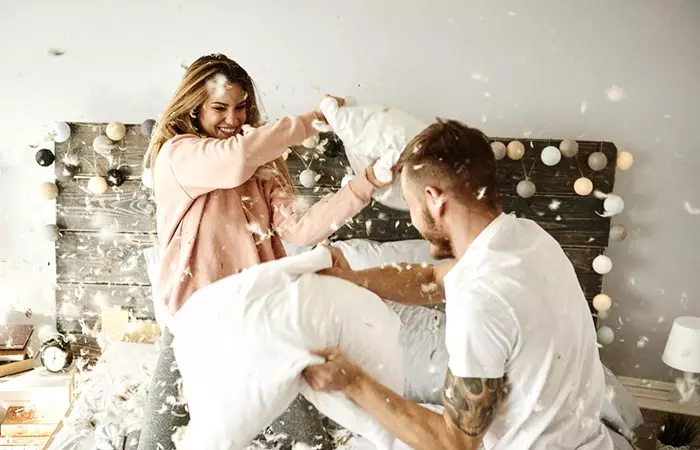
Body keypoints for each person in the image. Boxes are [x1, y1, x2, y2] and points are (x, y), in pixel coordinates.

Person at [304, 120, 614, 450]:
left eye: (409, 205)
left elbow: (455, 444)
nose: (412, 219)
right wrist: (354, 280)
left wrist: (353, 383)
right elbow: (432, 277)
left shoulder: (479, 298)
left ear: (434, 198)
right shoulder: (528, 238)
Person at [138, 53, 388, 450]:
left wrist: (368, 182)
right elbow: (233, 161)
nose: (233, 119)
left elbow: (302, 230)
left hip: (259, 320)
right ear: (194, 107)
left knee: (307, 442)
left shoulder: (261, 166)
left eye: (241, 108)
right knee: (156, 442)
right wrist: (312, 121)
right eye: (219, 108)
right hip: (195, 320)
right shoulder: (177, 155)